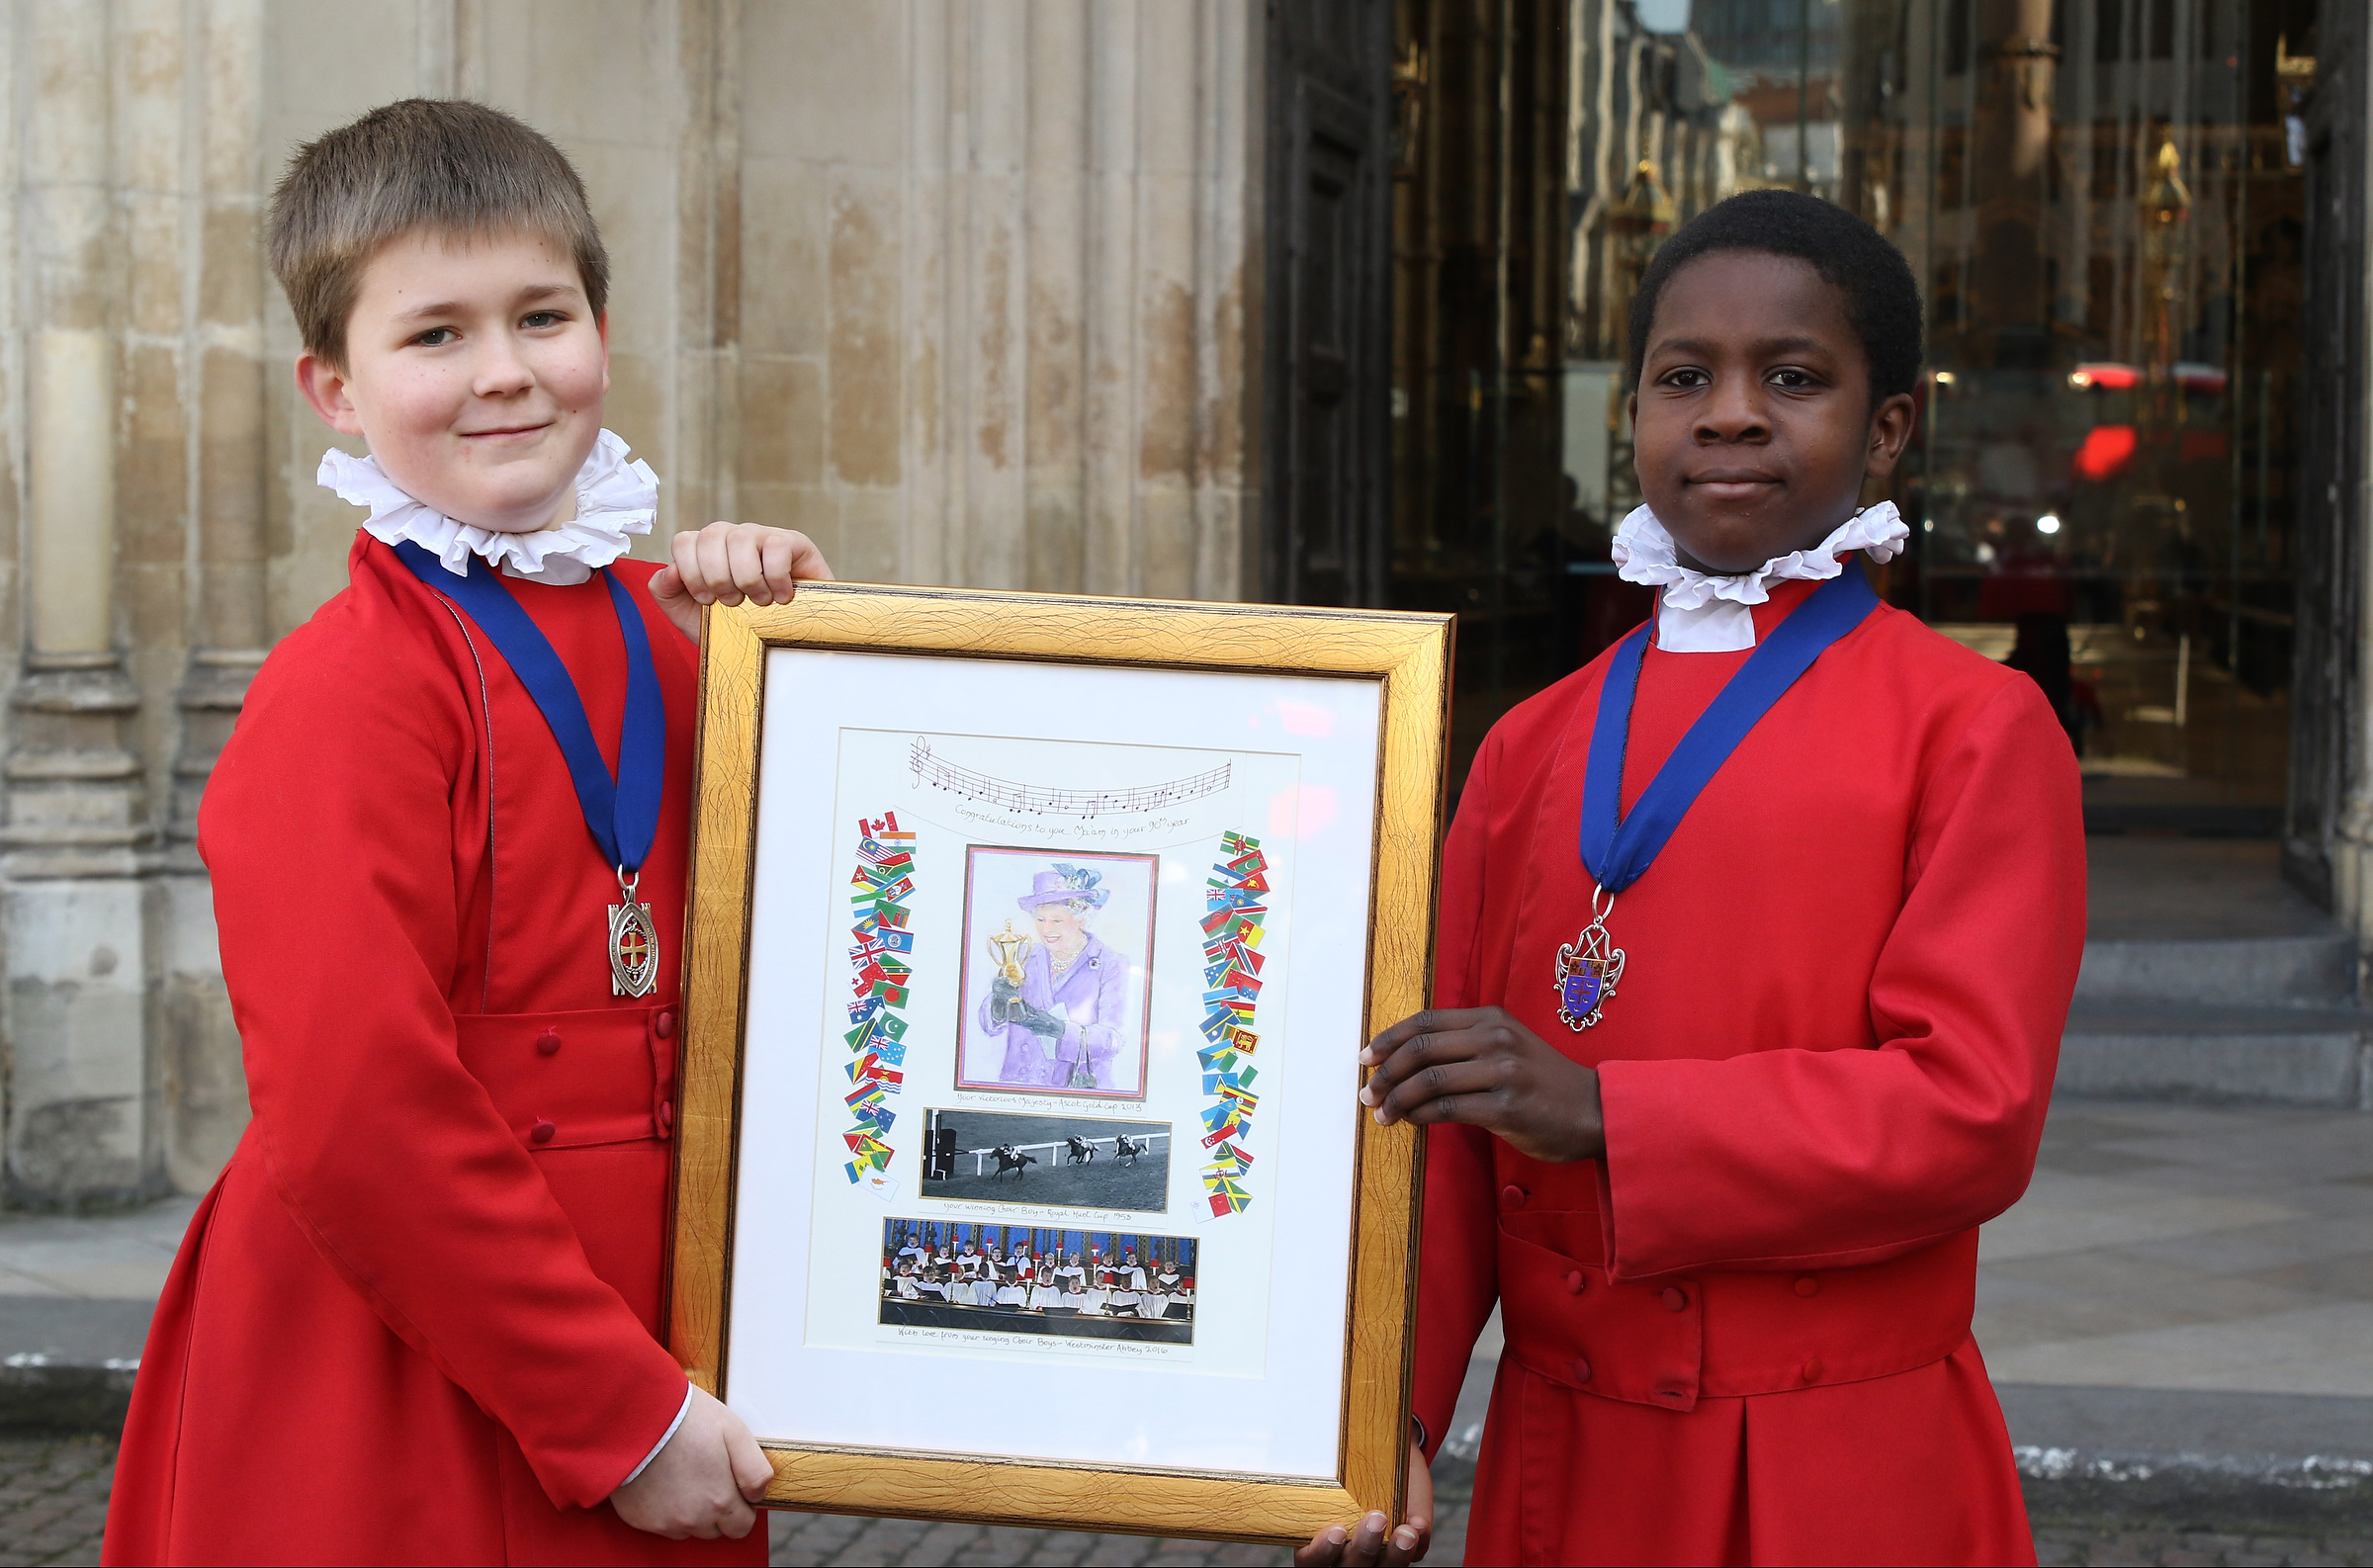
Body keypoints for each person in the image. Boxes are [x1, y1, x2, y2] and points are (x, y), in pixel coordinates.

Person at [1301, 190, 2082, 1567]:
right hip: (1570, 1464)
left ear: (1889, 425)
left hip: (1841, 1467)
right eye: (1683, 377)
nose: (1728, 413)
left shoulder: (1975, 729)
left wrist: (1606, 1111)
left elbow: (1973, 1108)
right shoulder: (1528, 743)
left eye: (1792, 376)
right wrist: (1390, 1420)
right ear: (1636, 413)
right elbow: (1447, 1126)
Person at [101, 100, 835, 1566]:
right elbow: (357, 1099)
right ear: (335, 387)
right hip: (422, 1360)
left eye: (541, 315)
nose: (504, 372)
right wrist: (615, 1411)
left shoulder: (686, 646)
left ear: (602, 328)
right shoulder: (343, 687)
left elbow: (816, 947)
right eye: (434, 334)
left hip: (655, 1321)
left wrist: (820, 664)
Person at [976, 864, 1133, 1089]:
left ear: (1081, 917)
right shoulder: (1025, 956)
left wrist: (1059, 1029)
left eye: (1057, 920)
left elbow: (1114, 1039)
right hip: (1019, 1086)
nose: (1047, 929)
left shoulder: (1111, 964)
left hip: (1074, 1090)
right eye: (1040, 920)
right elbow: (989, 1026)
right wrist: (997, 1004)